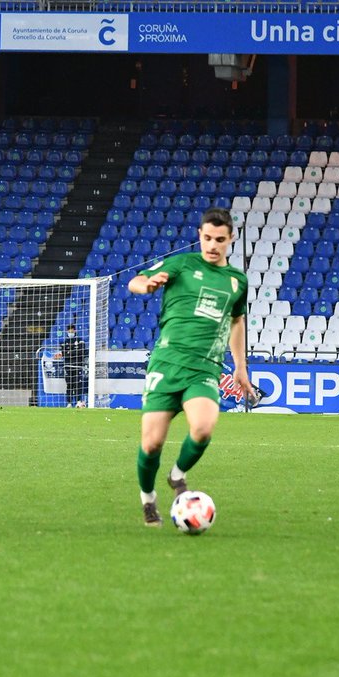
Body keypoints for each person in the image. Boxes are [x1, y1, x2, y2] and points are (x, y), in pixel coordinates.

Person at [127, 206, 250, 527]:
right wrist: (149, 284)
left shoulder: (237, 281)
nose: (212, 245)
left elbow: (237, 322)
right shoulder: (181, 263)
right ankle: (148, 499)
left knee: (203, 428)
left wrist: (240, 367)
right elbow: (135, 282)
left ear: (230, 239)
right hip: (167, 364)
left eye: (219, 240)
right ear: (199, 235)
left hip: (204, 367)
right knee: (151, 443)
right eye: (207, 238)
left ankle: (177, 474)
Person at [54, 323, 88, 408]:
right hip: (68, 366)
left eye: (72, 330)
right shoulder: (64, 342)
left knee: (78, 384)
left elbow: (82, 352)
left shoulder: (80, 340)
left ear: (74, 330)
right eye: (69, 330)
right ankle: (69, 403)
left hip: (78, 366)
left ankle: (78, 401)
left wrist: (70, 352)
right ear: (67, 331)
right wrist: (73, 352)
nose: (70, 331)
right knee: (69, 384)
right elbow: (64, 354)